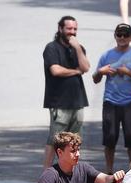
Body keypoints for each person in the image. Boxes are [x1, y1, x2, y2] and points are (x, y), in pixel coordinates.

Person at [93, 23, 131, 174]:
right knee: (110, 138)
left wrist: (128, 72)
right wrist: (101, 71)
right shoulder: (106, 55)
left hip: (130, 102)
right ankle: (109, 171)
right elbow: (95, 78)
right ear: (115, 36)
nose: (122, 38)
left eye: (126, 35)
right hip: (110, 101)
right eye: (119, 35)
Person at [42, 15, 90, 169]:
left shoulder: (78, 48)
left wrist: (76, 48)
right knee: (54, 140)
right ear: (60, 29)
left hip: (78, 101)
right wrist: (75, 71)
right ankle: (46, 172)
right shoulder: (52, 48)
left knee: (75, 140)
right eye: (69, 28)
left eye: (75, 29)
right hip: (59, 102)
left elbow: (86, 68)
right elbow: (55, 70)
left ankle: (72, 171)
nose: (72, 32)